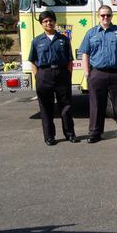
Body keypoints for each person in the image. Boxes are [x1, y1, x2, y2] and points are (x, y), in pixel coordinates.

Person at [79, 5, 117, 143]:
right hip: (97, 73)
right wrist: (87, 73)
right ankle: (95, 133)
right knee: (97, 105)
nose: (105, 17)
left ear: (112, 16)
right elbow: (85, 53)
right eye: (103, 15)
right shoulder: (91, 33)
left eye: (108, 15)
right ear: (98, 16)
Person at [28, 10, 78, 146]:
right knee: (46, 108)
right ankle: (49, 136)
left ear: (55, 22)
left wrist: (68, 75)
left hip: (62, 74)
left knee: (66, 106)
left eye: (50, 20)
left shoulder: (63, 39)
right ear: (41, 24)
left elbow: (69, 60)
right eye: (45, 21)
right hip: (44, 75)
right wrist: (37, 76)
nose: (48, 23)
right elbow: (32, 61)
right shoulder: (37, 41)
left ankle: (70, 134)